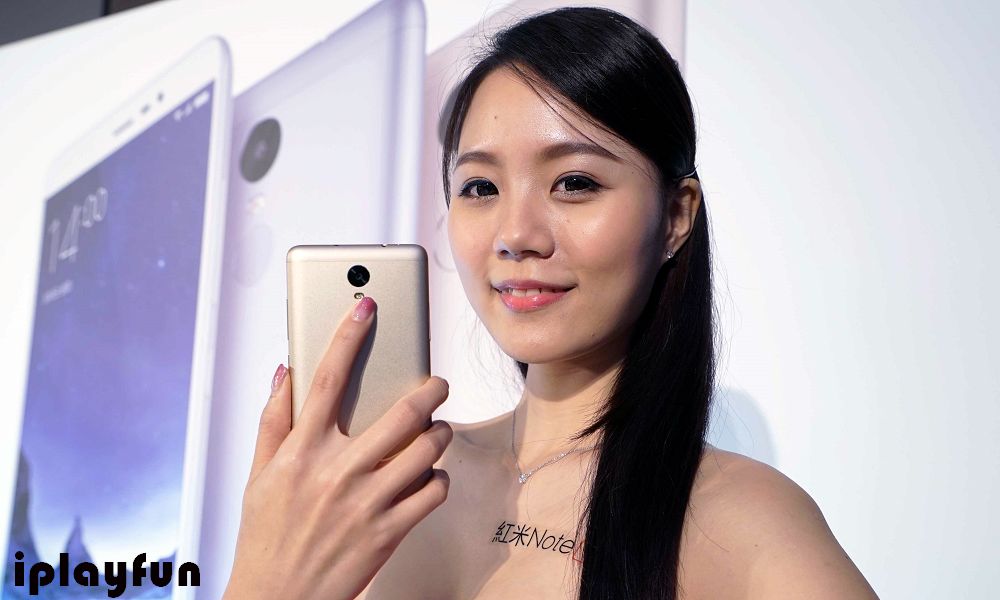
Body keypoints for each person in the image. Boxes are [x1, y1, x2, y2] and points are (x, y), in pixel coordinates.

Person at [223, 6, 879, 599]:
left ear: (677, 217)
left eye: (574, 181)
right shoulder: (366, 484)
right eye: (481, 187)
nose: (516, 235)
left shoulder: (741, 519)